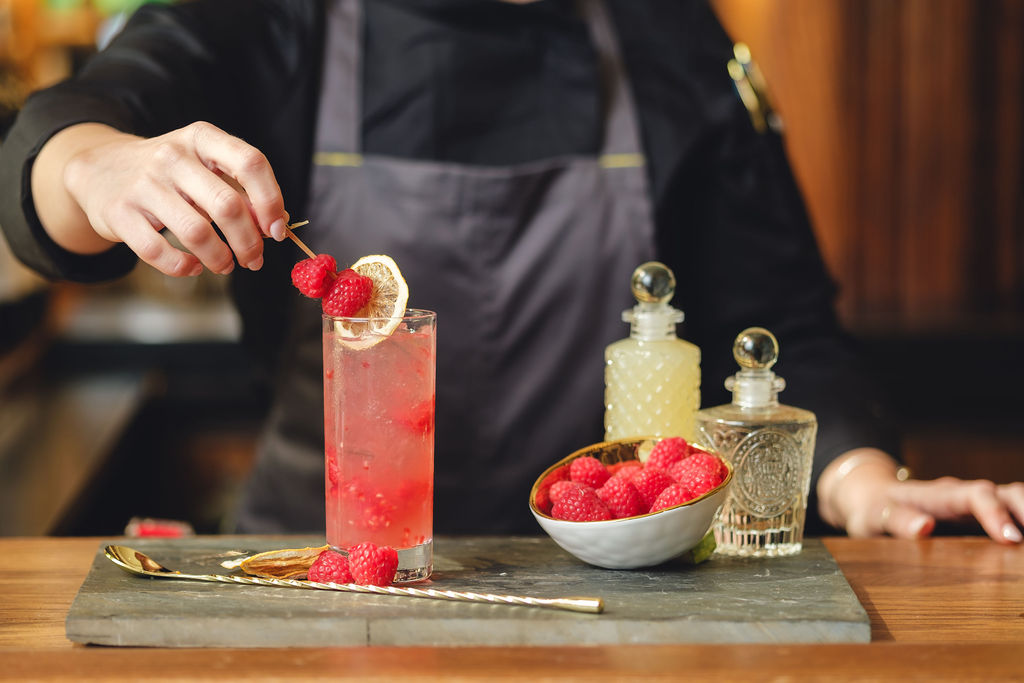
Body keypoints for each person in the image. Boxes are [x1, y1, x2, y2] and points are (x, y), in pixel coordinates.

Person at [1, 0, 1021, 543]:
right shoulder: (280, 17)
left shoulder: (665, 30)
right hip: (318, 582)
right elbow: (49, 160)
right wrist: (94, 163)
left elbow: (782, 325)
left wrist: (866, 482)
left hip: (613, 595)